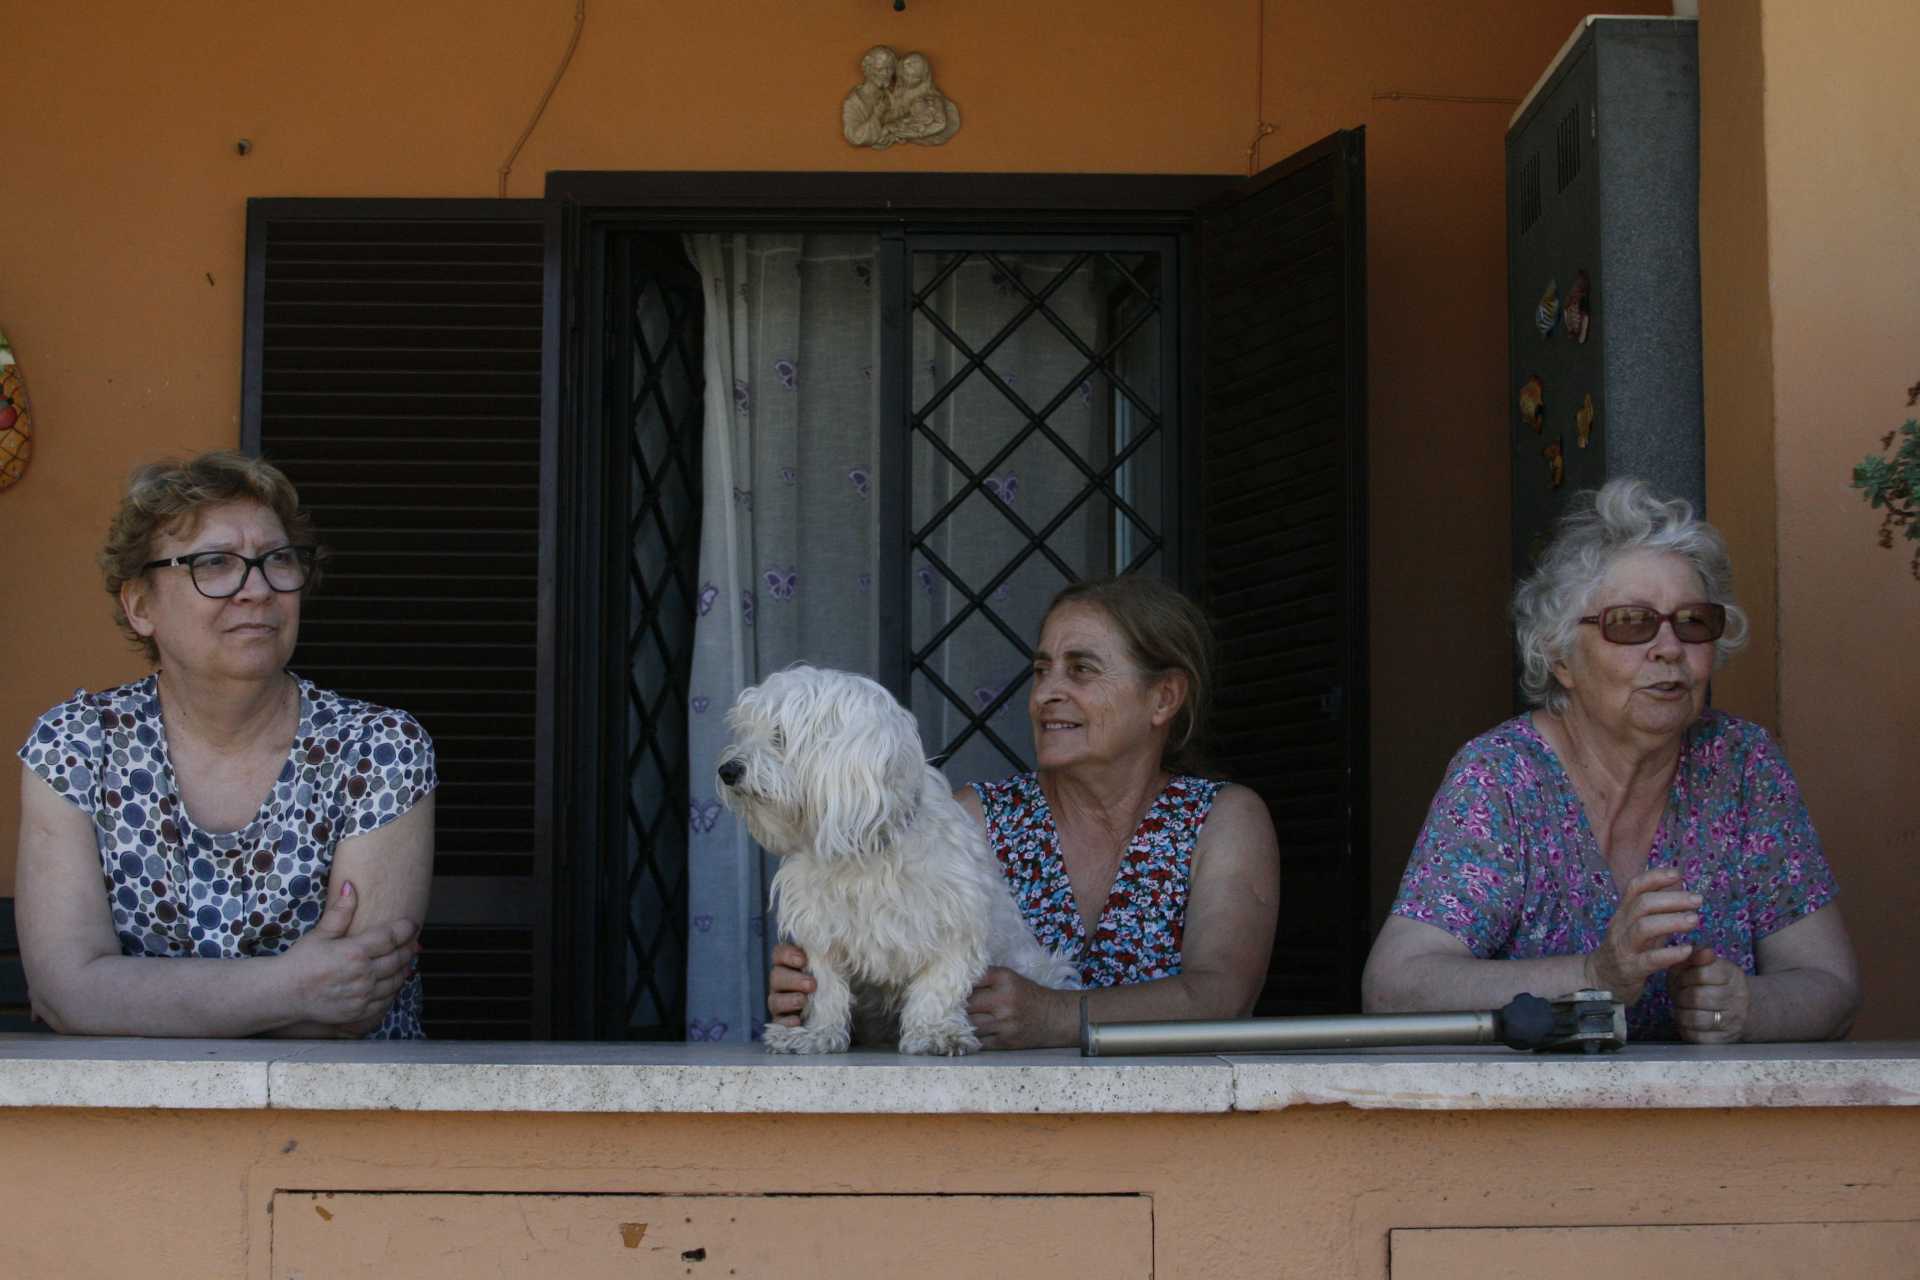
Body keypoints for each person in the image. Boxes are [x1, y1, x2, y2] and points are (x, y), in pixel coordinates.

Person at [1363, 478, 1859, 1041]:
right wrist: (1593, 977)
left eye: (1693, 622)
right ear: (1560, 658)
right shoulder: (1502, 776)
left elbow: (1832, 985)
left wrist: (1749, 1006)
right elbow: (1395, 987)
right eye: (1631, 623)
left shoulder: (1742, 764)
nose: (1669, 648)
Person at [15, 451, 435, 1038]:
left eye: (278, 560)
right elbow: (65, 995)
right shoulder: (77, 746)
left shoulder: (379, 750)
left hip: (347, 1116)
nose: (257, 589)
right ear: (140, 606)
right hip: (130, 1121)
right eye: (214, 563)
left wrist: (130, 1000)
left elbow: (351, 1010)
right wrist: (293, 986)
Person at [768, 575, 1281, 1048]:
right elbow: (899, 994)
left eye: (1081, 669)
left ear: (1164, 697)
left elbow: (1222, 997)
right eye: (1041, 670)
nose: (1046, 694)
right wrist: (823, 992)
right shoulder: (970, 819)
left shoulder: (1221, 820)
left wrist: (1059, 1016)